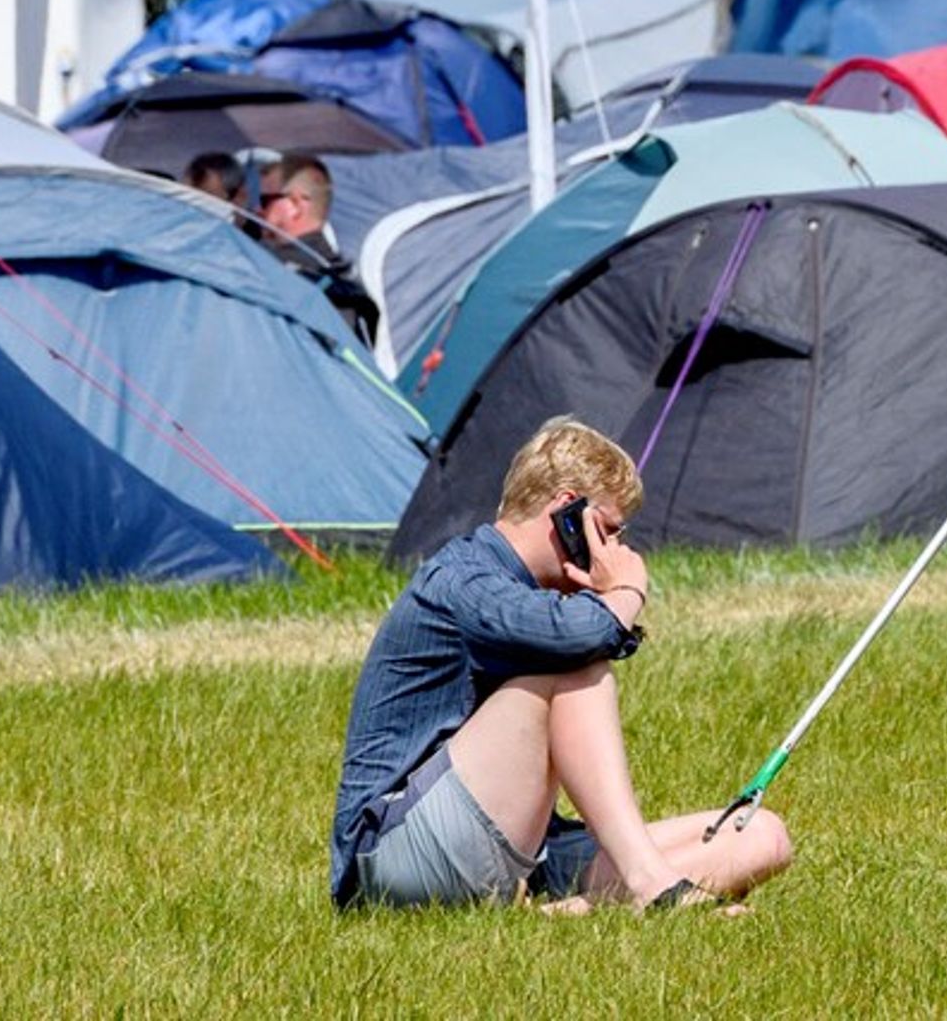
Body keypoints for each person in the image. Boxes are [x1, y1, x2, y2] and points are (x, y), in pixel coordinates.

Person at [330, 416, 793, 912]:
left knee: (761, 836)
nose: (615, 550)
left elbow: (580, 631)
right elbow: (581, 636)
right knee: (574, 670)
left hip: (516, 846)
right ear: (566, 515)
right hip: (389, 859)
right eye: (608, 532)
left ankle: (573, 908)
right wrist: (626, 589)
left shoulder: (529, 597)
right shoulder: (461, 578)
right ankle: (650, 888)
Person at [255, 152, 378, 343]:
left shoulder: (267, 269)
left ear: (295, 204)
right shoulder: (344, 277)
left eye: (265, 200)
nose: (258, 210)